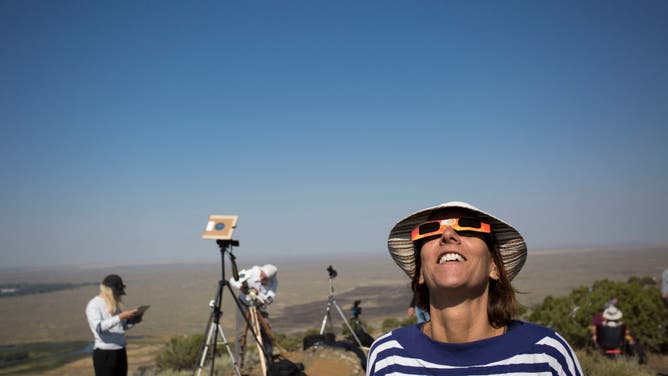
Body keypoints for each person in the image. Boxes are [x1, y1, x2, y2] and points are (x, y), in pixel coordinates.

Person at [367, 201, 582, 376]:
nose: (448, 235)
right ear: (421, 272)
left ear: (494, 266)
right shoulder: (389, 356)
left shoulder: (545, 355)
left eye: (468, 226)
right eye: (430, 230)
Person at [85, 274, 144, 376]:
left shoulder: (113, 304)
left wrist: (133, 321)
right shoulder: (94, 305)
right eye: (117, 293)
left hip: (120, 351)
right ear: (108, 290)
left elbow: (121, 327)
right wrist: (120, 316)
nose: (118, 296)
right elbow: (99, 328)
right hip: (105, 354)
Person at [229, 264, 278, 364]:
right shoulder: (253, 272)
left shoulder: (273, 283)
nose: (262, 277)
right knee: (241, 333)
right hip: (243, 305)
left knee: (265, 329)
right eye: (262, 274)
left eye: (265, 277)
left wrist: (258, 294)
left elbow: (269, 299)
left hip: (259, 306)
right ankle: (239, 362)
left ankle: (268, 356)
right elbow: (233, 279)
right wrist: (241, 287)